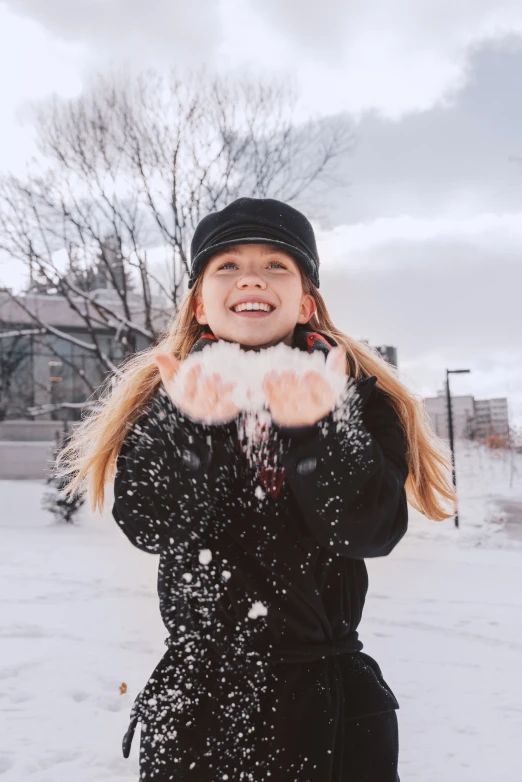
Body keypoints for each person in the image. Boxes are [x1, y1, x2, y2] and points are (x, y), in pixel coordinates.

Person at [58, 197, 457, 781]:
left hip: (332, 709)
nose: (251, 275)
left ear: (306, 301)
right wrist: (197, 427)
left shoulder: (359, 400)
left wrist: (318, 430)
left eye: (277, 265)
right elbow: (150, 525)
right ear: (199, 302)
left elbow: (370, 530)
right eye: (227, 265)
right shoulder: (168, 403)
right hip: (200, 709)